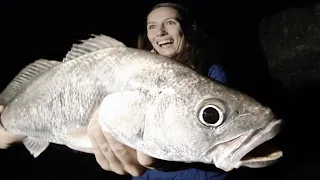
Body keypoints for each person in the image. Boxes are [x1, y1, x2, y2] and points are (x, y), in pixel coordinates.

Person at [0, 2, 228, 180]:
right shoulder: (128, 69)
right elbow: (82, 127)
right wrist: (12, 131)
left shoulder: (210, 72)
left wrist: (164, 163)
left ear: (189, 28)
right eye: (152, 26)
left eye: (170, 23)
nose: (160, 31)